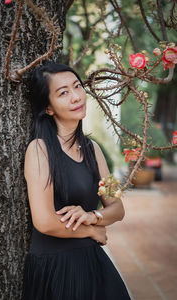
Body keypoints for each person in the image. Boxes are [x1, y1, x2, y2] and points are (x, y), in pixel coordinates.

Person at [22, 62, 131, 300]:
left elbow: (118, 207)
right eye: (63, 93)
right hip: (56, 269)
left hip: (92, 263)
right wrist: (92, 232)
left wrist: (94, 217)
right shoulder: (39, 150)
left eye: (77, 87)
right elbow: (45, 222)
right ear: (48, 108)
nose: (76, 97)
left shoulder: (94, 150)